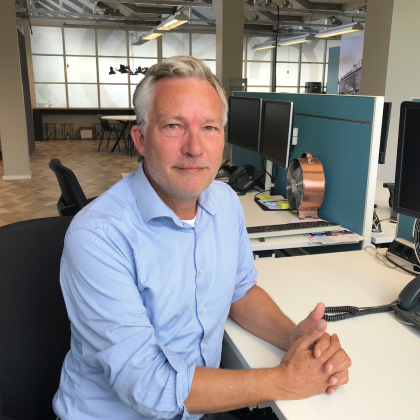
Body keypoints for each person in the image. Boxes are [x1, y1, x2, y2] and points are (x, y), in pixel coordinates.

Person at [53, 56, 351, 420]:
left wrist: (295, 338)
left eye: (209, 127)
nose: (194, 148)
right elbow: (150, 387)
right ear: (141, 139)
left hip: (199, 408)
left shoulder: (224, 203)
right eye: (174, 126)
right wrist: (286, 380)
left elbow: (241, 292)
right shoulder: (98, 235)